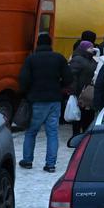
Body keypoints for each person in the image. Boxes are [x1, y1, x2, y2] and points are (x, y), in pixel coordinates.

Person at [18, 34, 73, 173]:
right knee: (52, 133)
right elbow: (69, 77)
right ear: (50, 44)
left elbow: (23, 80)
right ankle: (50, 164)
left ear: (37, 44)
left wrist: (28, 93)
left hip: (36, 100)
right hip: (54, 100)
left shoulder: (31, 59)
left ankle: (28, 160)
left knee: (31, 132)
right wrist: (58, 87)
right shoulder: (59, 58)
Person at [67, 40, 98, 136]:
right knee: (78, 117)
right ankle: (76, 137)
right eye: (90, 47)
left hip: (89, 93)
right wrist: (74, 92)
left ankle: (85, 137)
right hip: (79, 93)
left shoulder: (92, 59)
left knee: (88, 117)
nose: (92, 49)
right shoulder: (77, 59)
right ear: (84, 49)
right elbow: (72, 76)